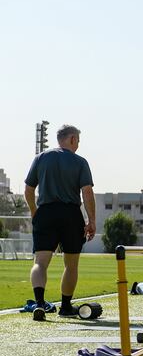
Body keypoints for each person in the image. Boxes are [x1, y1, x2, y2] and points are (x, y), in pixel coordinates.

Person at [23, 125, 96, 321]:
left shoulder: (41, 158)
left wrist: (34, 213)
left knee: (40, 262)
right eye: (78, 141)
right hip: (70, 214)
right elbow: (87, 192)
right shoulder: (80, 162)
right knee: (71, 265)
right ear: (72, 139)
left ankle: (39, 304)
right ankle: (65, 306)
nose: (78, 145)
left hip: (45, 212)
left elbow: (28, 190)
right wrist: (91, 220)